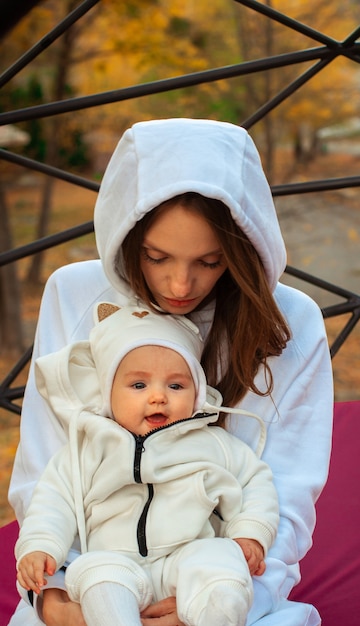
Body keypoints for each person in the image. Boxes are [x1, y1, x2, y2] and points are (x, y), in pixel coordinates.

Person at [8, 118, 333, 626]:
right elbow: (46, 470)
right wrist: (54, 601)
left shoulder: (293, 321)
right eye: (156, 257)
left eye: (211, 260)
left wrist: (216, 603)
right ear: (127, 234)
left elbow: (285, 491)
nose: (181, 284)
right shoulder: (73, 294)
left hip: (220, 582)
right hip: (88, 582)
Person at [15, 302, 279, 626]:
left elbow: (255, 483)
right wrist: (41, 547)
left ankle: (215, 616)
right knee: (95, 573)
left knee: (222, 561)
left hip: (187, 556)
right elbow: (53, 501)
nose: (158, 397)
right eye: (139, 385)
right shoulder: (86, 449)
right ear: (109, 393)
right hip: (115, 559)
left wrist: (250, 534)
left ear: (197, 394)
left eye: (176, 385)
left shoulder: (215, 444)